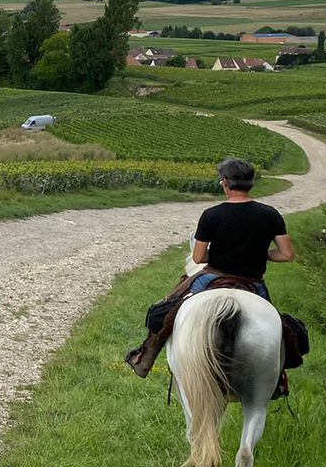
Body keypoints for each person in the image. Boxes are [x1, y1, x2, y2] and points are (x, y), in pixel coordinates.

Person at [124, 158, 297, 383]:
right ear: (251, 183)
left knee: (164, 312)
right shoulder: (270, 214)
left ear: (225, 183)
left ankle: (145, 358)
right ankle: (277, 378)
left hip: (212, 277)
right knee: (279, 329)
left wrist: (222, 253)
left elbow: (198, 257)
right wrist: (257, 252)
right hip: (252, 282)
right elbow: (287, 254)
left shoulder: (211, 214)